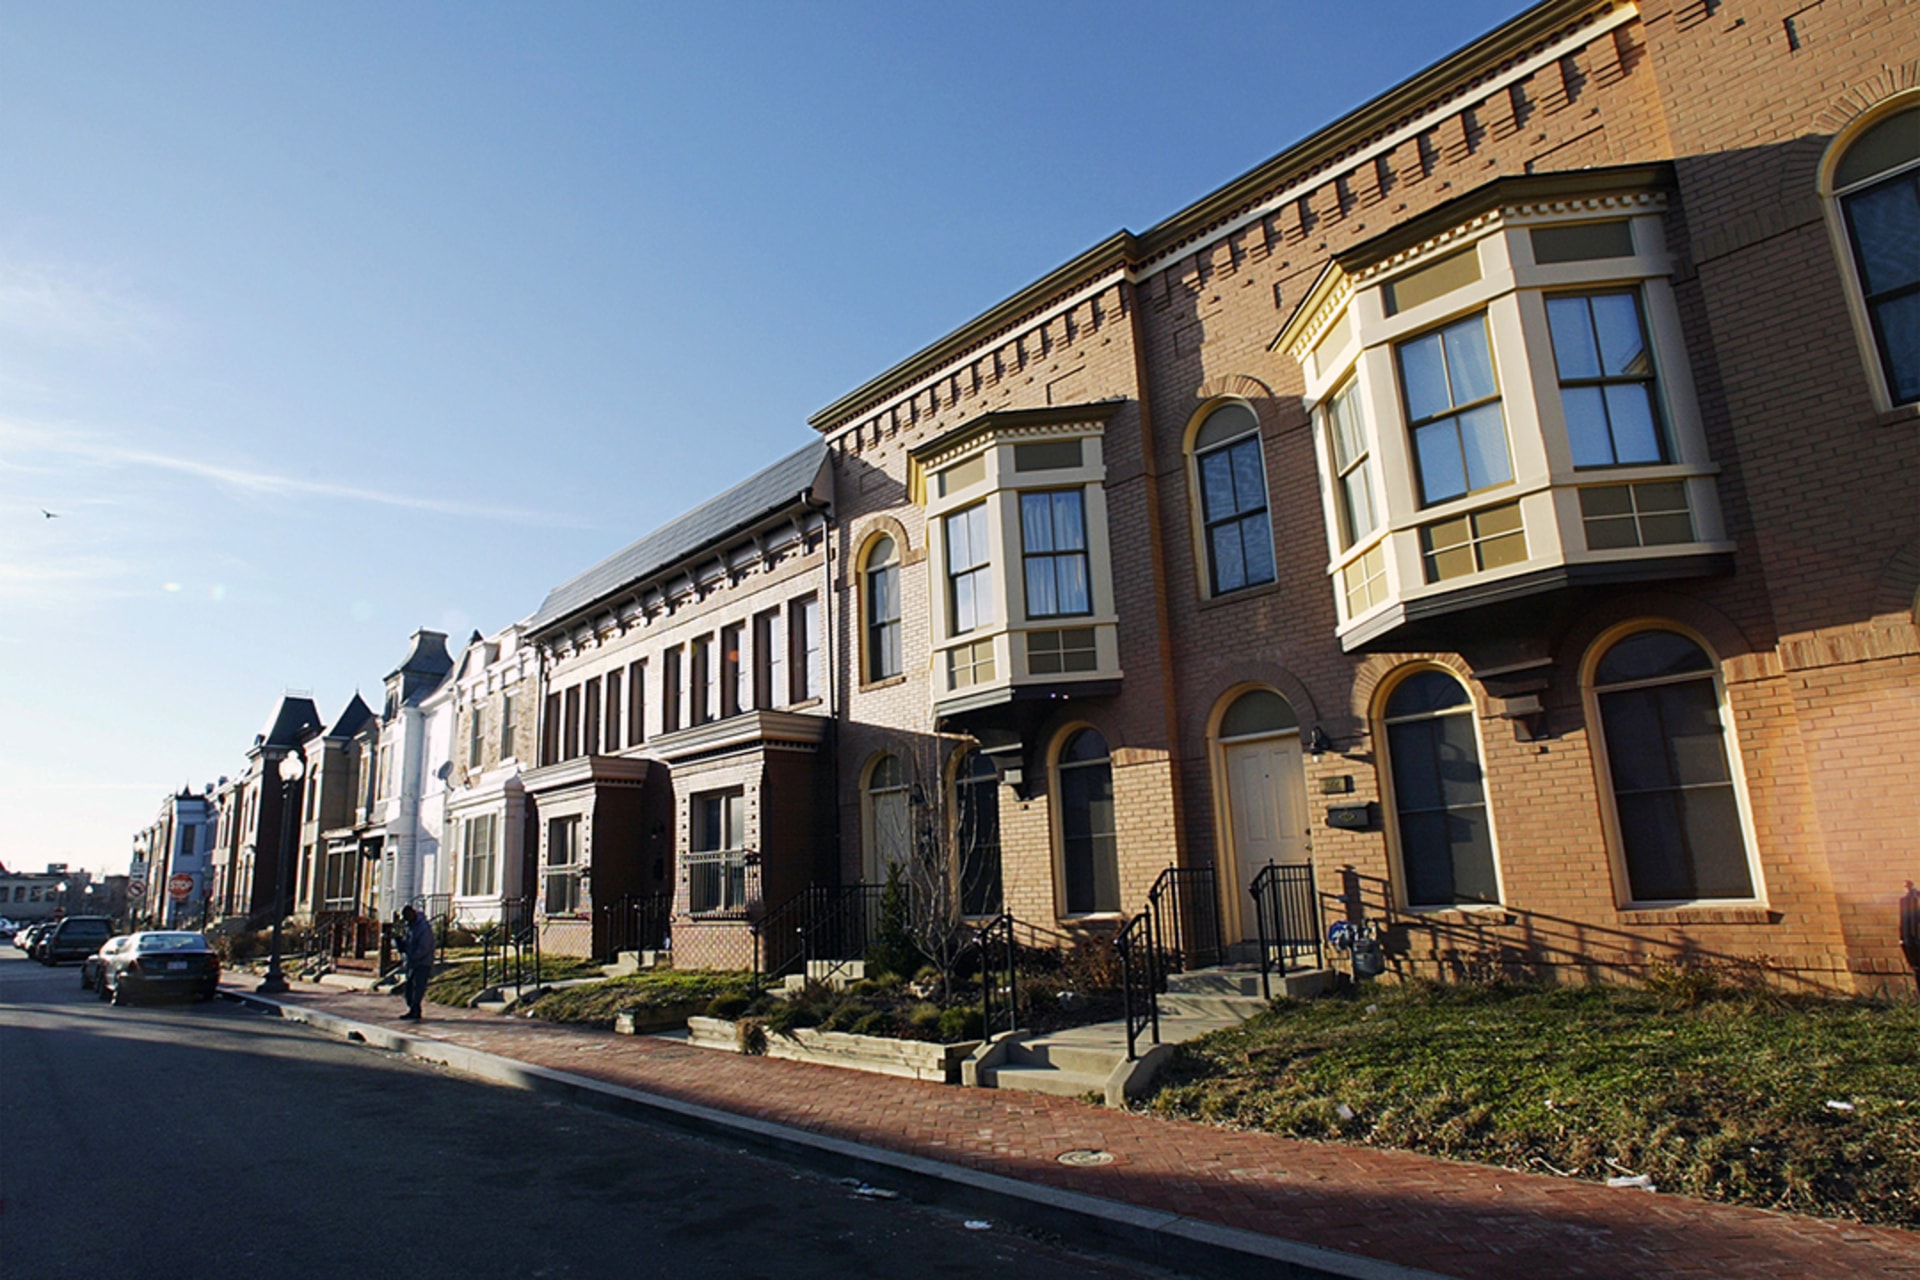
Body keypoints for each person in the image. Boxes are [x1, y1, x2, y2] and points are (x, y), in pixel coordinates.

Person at [398, 904, 435, 1020]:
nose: (406, 920)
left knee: (418, 987)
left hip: (423, 962)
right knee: (408, 987)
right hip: (411, 962)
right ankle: (414, 1009)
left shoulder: (423, 927)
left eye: (407, 916)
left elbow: (425, 946)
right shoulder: (409, 926)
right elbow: (407, 941)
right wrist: (400, 944)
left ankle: (414, 1010)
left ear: (412, 913)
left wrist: (413, 956)